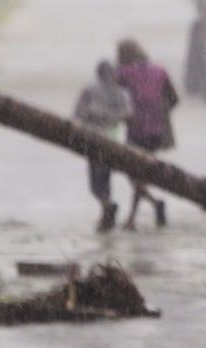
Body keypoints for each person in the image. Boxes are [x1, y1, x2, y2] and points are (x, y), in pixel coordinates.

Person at [115, 39, 178, 231]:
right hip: (156, 131)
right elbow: (174, 98)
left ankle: (140, 212)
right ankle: (147, 208)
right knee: (140, 172)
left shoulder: (123, 73)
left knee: (134, 172)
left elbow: (114, 95)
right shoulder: (160, 71)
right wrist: (160, 112)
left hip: (136, 130)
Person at [73, 60, 133, 233]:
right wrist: (113, 117)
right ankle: (106, 209)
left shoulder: (89, 91)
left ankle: (106, 206)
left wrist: (94, 115)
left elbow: (78, 115)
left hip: (92, 139)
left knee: (94, 181)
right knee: (105, 175)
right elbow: (128, 114)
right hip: (113, 139)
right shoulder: (122, 93)